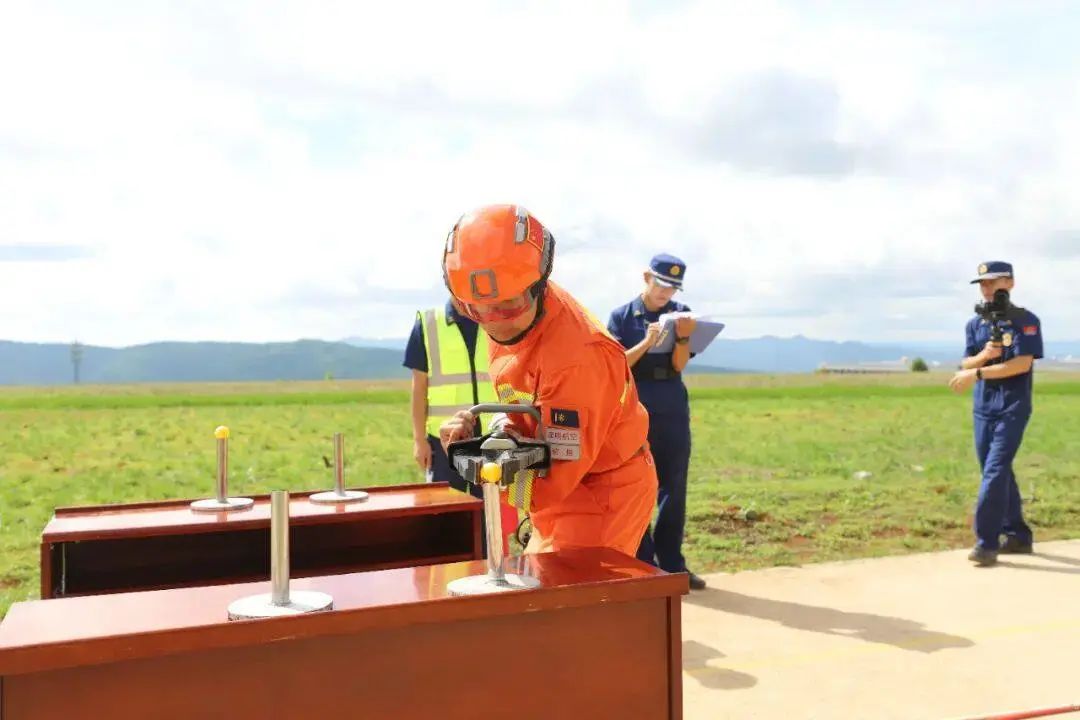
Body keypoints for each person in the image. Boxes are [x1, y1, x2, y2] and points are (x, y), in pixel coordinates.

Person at [438, 204, 657, 558]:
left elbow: (547, 485)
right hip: (562, 483)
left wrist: (476, 462)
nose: (495, 323)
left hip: (598, 495)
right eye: (477, 310)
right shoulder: (514, 301)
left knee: (566, 608)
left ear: (539, 284)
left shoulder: (576, 361)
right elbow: (524, 400)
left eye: (507, 306)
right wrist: (500, 430)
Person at [607, 254, 706, 590]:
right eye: (662, 283)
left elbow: (679, 365)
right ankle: (644, 565)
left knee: (674, 487)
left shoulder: (680, 314)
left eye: (673, 287)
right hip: (637, 405)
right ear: (647, 277)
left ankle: (673, 565)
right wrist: (648, 341)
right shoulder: (621, 316)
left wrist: (682, 336)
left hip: (672, 404)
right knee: (638, 486)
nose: (667, 292)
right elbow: (619, 364)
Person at [403, 297, 516, 554]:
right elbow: (419, 386)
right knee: (443, 519)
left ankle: (493, 576)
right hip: (443, 442)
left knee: (492, 519)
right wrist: (419, 439)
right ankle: (445, 578)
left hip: (491, 439)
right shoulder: (428, 323)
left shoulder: (497, 318)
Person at [949, 261, 1043, 567]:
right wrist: (984, 357)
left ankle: (986, 543)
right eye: (983, 284)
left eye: (993, 283)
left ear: (1011, 284)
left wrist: (977, 374)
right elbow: (966, 362)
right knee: (998, 470)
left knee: (994, 471)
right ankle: (1017, 535)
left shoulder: (1025, 321)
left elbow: (1021, 365)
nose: (987, 289)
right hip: (983, 409)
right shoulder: (975, 324)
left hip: (1013, 407)